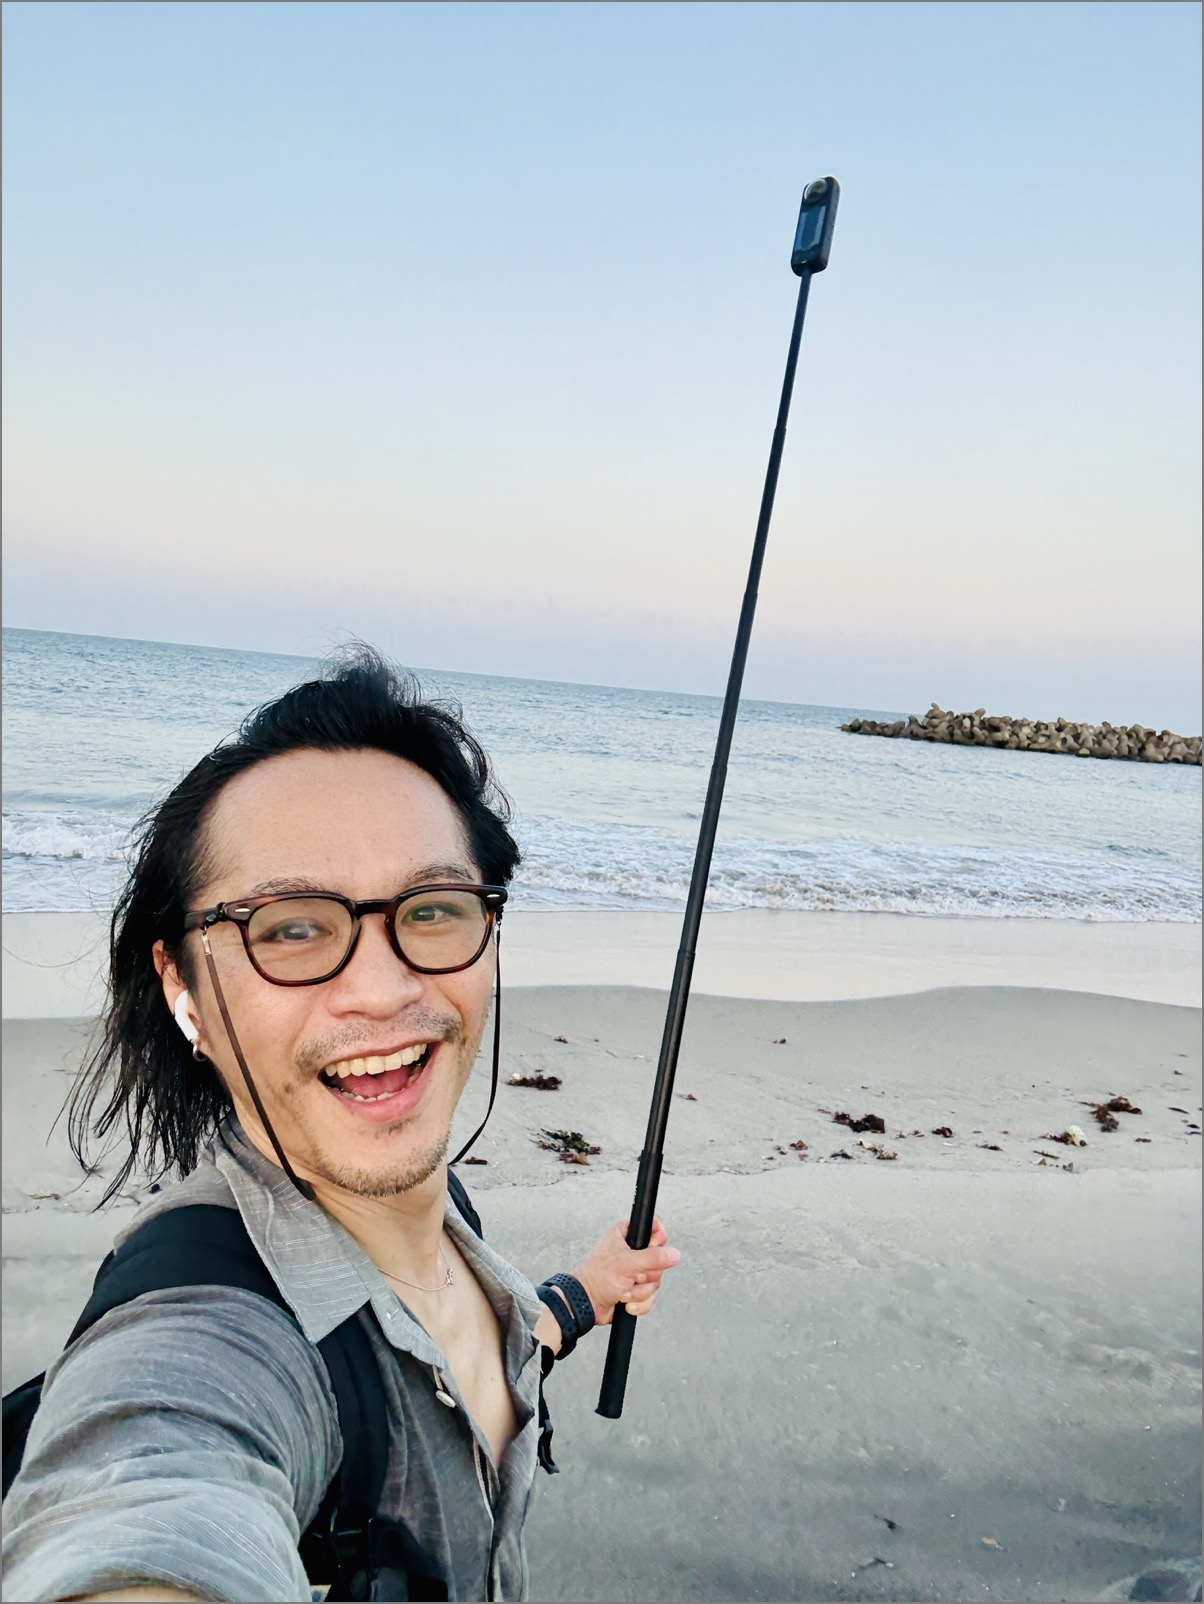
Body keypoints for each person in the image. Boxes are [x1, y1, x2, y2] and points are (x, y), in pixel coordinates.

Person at [2, 648, 681, 1603]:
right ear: (182, 987)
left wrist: (591, 1293)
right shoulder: (202, 1334)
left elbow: (488, 1344)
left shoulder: (448, 1223)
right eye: (289, 927)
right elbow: (148, 1494)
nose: (383, 988)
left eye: (431, 909)